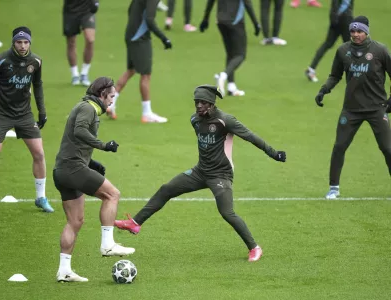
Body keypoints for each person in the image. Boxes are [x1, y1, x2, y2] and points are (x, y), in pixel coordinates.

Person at [115, 84, 287, 262]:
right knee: (166, 189)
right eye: (196, 102)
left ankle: (254, 248)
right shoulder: (194, 120)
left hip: (220, 175)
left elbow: (251, 137)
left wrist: (274, 154)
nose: (198, 106)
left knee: (227, 213)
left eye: (203, 103)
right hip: (200, 171)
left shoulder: (225, 121)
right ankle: (135, 223)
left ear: (212, 104)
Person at [53, 77, 135, 282]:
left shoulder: (86, 107)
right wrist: (103, 145)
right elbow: (79, 131)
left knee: (75, 221)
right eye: (111, 97)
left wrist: (91, 162)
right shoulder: (88, 108)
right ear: (102, 94)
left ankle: (64, 270)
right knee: (112, 194)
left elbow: (73, 141)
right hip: (73, 168)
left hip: (62, 170)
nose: (112, 101)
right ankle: (108, 244)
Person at [314, 16, 391, 199]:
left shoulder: (379, 50)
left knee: (387, 148)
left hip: (376, 108)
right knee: (339, 146)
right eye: (352, 31)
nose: (355, 35)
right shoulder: (343, 51)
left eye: (359, 31)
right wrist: (324, 90)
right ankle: (334, 188)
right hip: (351, 109)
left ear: (366, 32)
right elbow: (335, 75)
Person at [0, 26, 53, 213]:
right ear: (14, 42)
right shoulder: (0, 60)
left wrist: (42, 111)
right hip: (0, 113)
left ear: (30, 43)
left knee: (39, 154)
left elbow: (38, 85)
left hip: (24, 114)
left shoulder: (36, 61)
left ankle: (41, 197)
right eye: (19, 42)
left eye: (26, 42)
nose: (23, 45)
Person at [107, 0, 171, 123]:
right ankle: (147, 113)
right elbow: (150, 19)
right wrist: (164, 38)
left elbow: (130, 10)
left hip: (131, 34)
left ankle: (110, 104)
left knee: (130, 71)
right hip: (139, 38)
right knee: (145, 75)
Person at [199, 0, 261, 97]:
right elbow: (247, 3)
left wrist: (205, 18)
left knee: (231, 54)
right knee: (240, 55)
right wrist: (256, 23)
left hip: (220, 20)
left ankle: (231, 87)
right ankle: (223, 76)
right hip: (235, 20)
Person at [306, 0, 354, 82]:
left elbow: (335, 4)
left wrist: (333, 18)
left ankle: (311, 69)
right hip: (345, 19)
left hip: (336, 18)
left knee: (328, 44)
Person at [63, 0, 99, 86]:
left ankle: (84, 73)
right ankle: (75, 74)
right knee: (71, 42)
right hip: (71, 11)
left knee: (90, 39)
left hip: (87, 10)